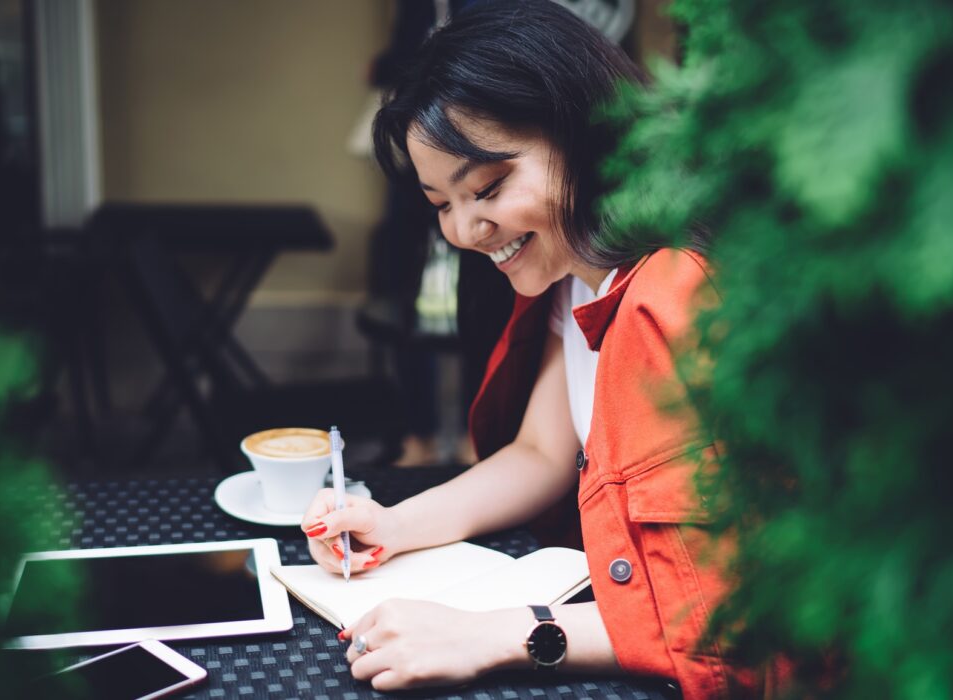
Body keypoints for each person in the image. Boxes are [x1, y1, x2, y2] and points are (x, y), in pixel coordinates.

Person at [300, 1, 750, 695]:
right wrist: (390, 526)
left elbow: (720, 622)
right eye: (440, 204)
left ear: (586, 136)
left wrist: (492, 634)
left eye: (488, 187)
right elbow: (542, 452)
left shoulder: (672, 296)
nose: (465, 229)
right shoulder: (576, 278)